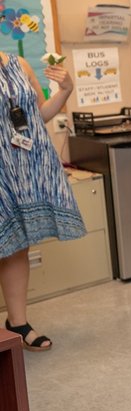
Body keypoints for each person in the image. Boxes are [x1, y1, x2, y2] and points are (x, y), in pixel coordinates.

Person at [1, 52, 80, 351]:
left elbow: (39, 115)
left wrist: (66, 89)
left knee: (17, 246)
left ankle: (17, 323)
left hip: (21, 166)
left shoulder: (18, 64)